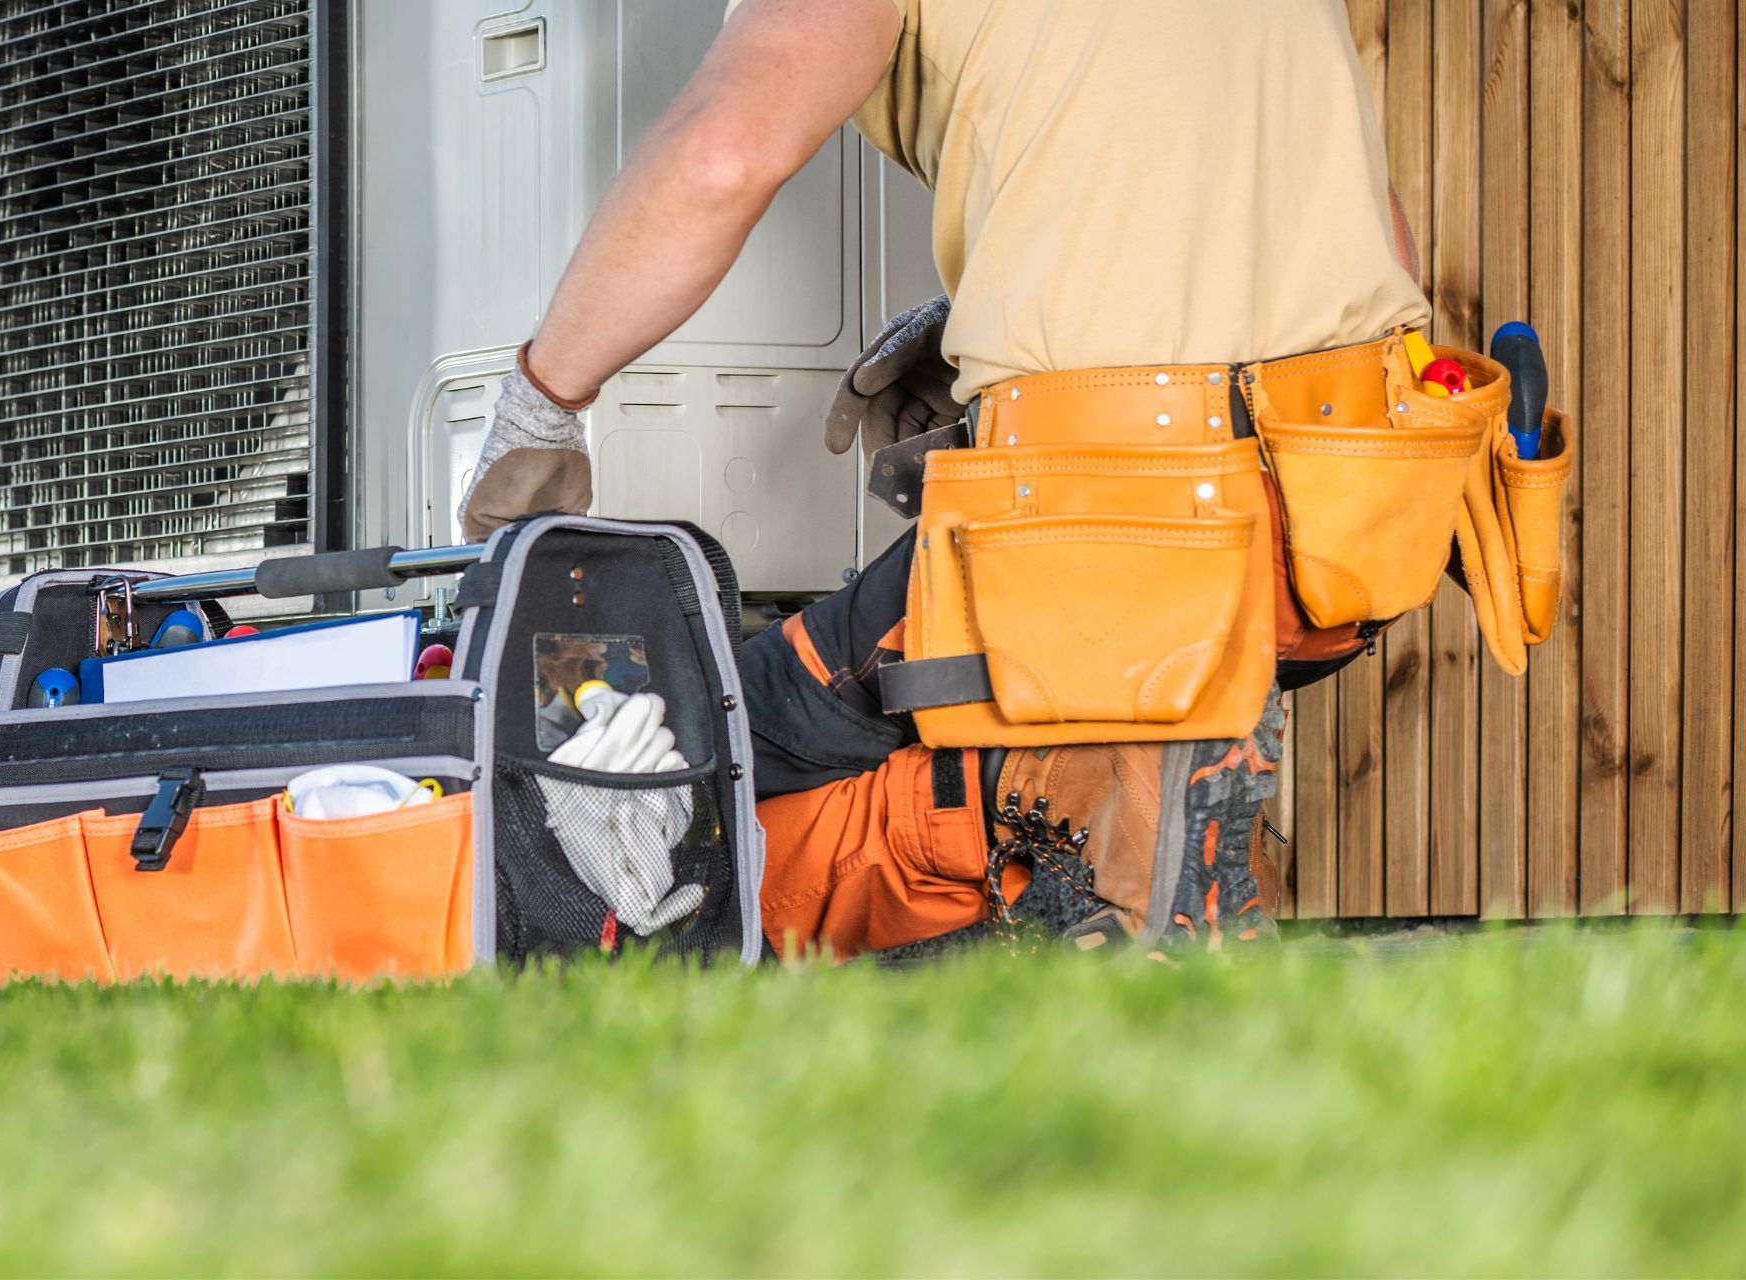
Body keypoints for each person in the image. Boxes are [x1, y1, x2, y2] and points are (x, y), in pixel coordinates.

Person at [460, 0, 1430, 959]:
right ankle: (1108, 805)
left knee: (691, 735)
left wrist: (542, 401)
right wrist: (1004, 316)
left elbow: (721, 159)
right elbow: (1361, 232)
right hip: (1349, 530)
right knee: (893, 711)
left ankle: (1082, 803)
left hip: (1137, 528)